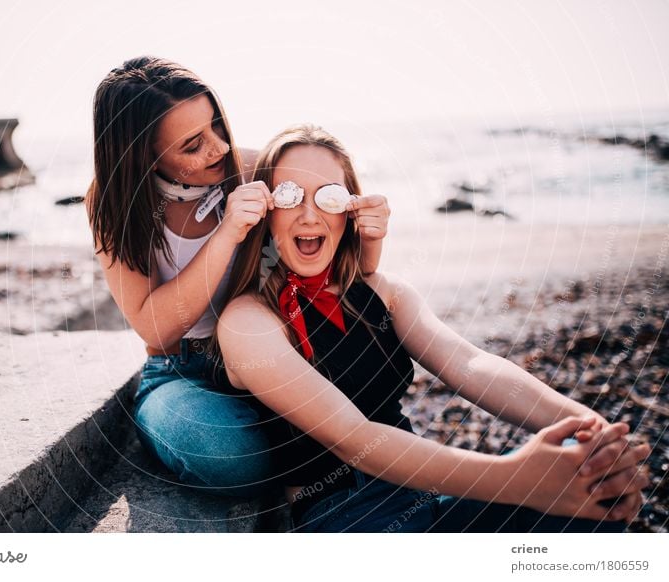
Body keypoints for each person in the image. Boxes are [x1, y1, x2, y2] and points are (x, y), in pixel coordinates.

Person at [212, 123, 652, 531]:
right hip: (349, 520)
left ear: (351, 211)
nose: (309, 215)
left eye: (326, 196)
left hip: (426, 490)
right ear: (267, 211)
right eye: (289, 195)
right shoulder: (248, 323)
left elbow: (472, 365)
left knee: (596, 504)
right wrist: (516, 478)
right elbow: (354, 438)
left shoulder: (384, 294)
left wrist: (591, 429)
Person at [84, 57, 391, 498]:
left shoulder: (250, 167)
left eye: (218, 126)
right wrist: (227, 233)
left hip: (269, 351)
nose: (219, 149)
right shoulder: (109, 203)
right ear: (142, 156)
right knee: (226, 453)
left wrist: (371, 233)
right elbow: (156, 328)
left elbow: (341, 261)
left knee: (355, 401)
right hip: (180, 370)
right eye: (192, 145)